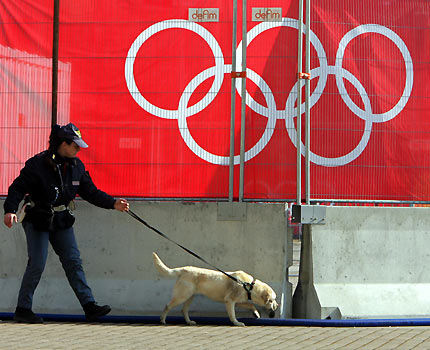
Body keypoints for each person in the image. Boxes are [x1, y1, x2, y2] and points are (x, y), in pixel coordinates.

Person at [3, 123, 129, 323]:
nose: (78, 150)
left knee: (73, 261)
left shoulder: (77, 167)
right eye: (75, 146)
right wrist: (9, 210)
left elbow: (91, 192)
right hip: (38, 218)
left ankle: (89, 306)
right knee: (37, 263)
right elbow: (17, 188)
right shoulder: (37, 164)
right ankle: (23, 309)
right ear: (63, 144)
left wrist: (113, 203)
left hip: (61, 220)